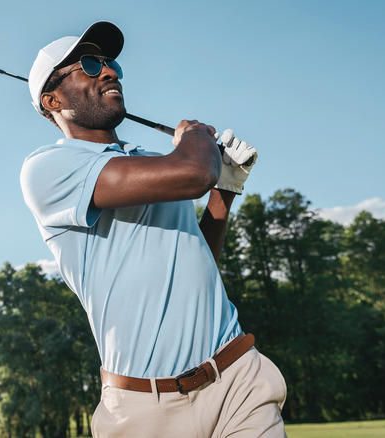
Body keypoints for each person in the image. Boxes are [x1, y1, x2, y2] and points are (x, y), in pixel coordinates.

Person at [20, 21, 287, 438]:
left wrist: (225, 190)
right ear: (52, 99)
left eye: (111, 65)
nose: (108, 72)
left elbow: (196, 257)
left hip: (237, 380)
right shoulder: (48, 168)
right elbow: (195, 171)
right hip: (144, 409)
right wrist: (196, 136)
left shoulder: (154, 163)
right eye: (89, 65)